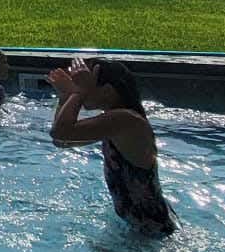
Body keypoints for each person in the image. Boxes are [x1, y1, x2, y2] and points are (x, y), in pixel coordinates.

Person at [48, 55, 175, 235]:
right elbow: (62, 141)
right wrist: (66, 96)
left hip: (151, 231)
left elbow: (61, 132)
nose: (81, 90)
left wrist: (76, 93)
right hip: (141, 227)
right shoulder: (115, 121)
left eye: (84, 85)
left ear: (107, 90)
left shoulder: (126, 120)